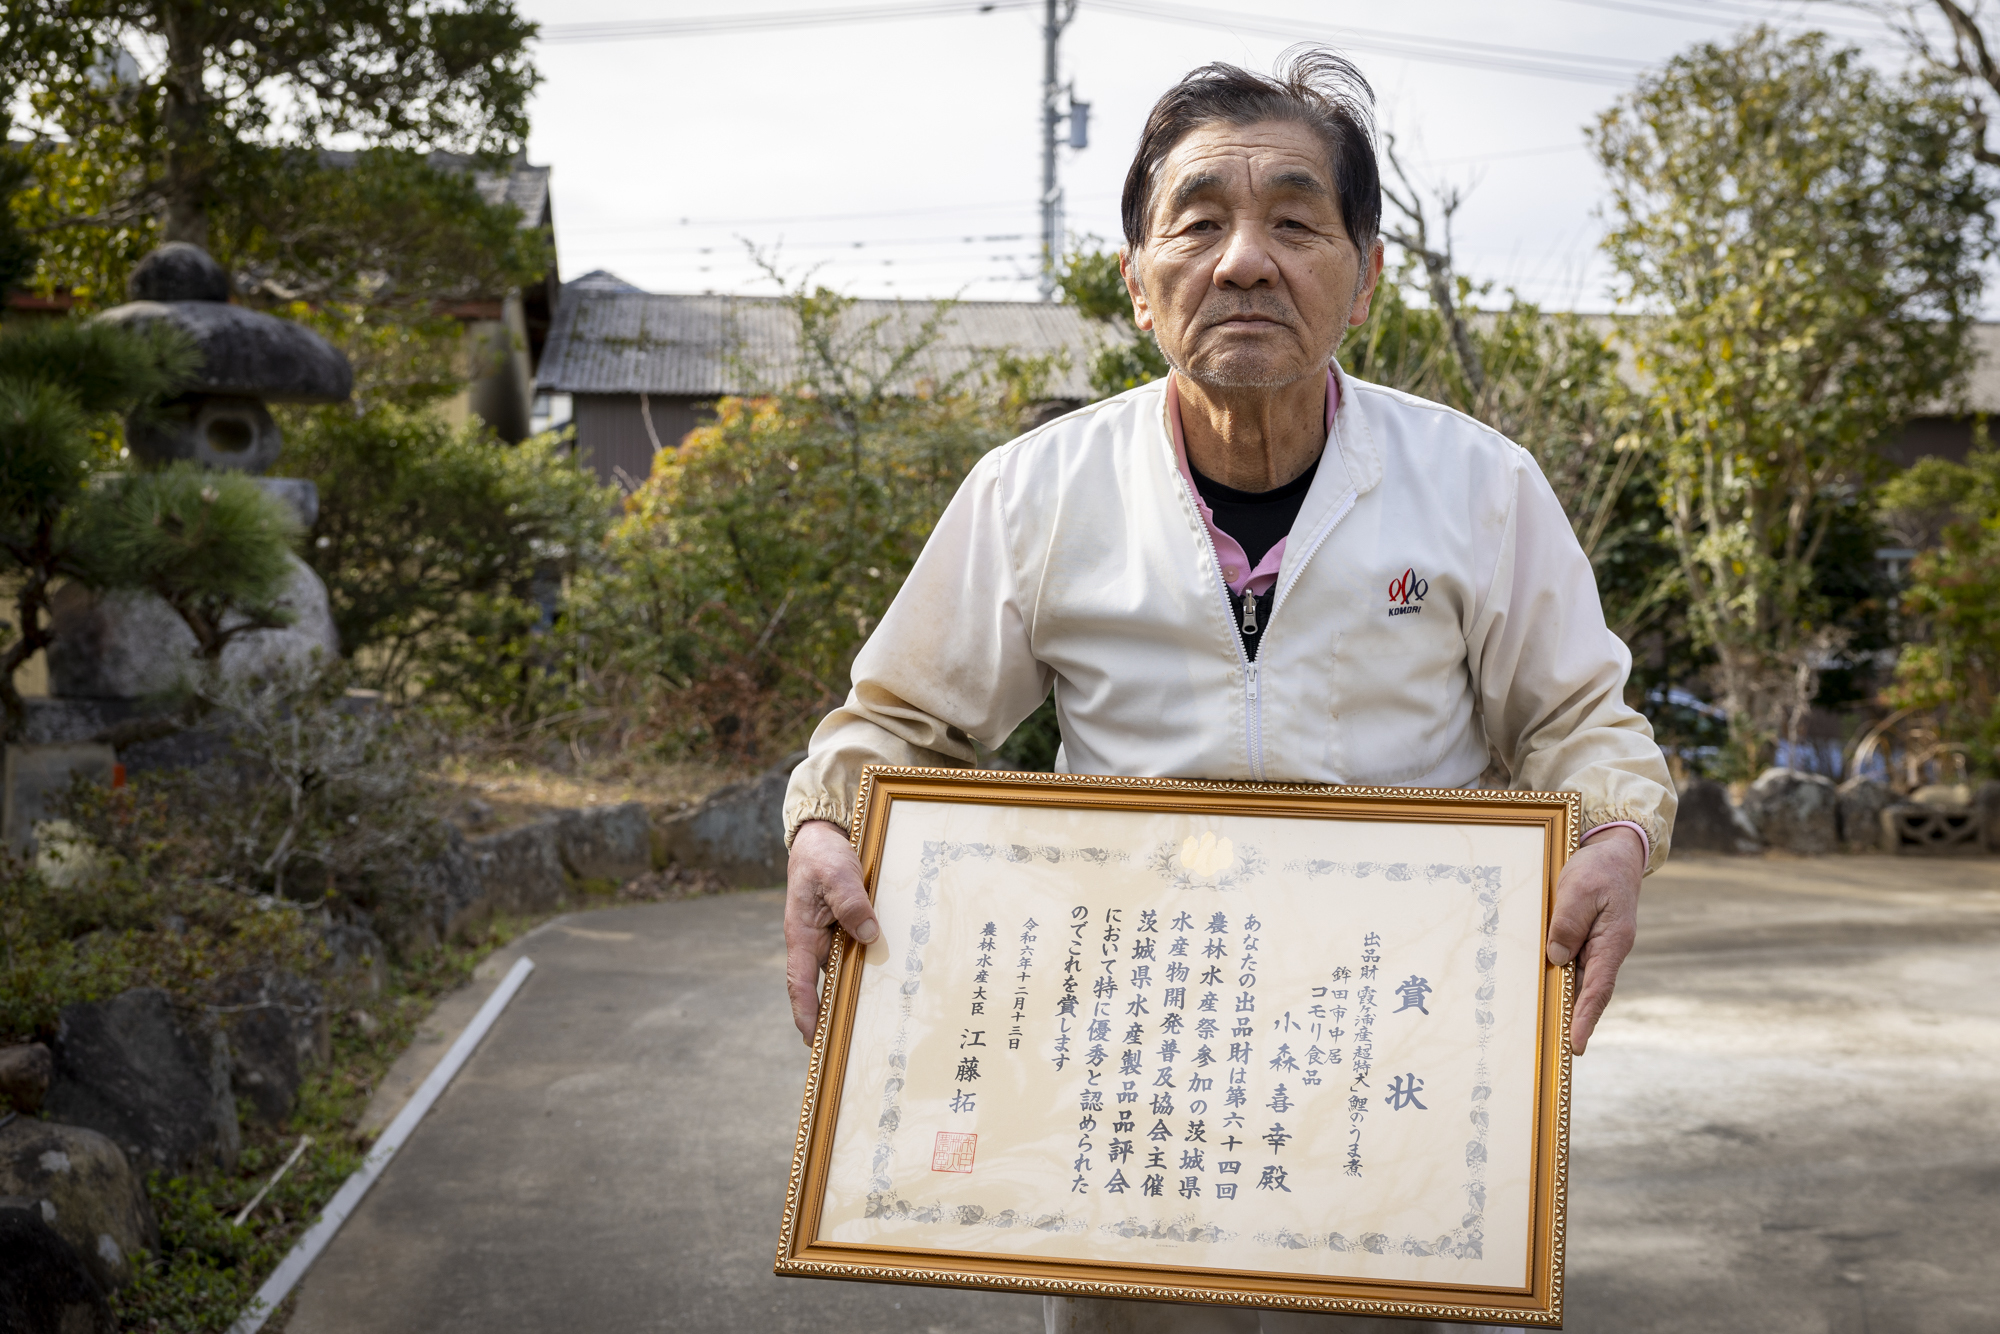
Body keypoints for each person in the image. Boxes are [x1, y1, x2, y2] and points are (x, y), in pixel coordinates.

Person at [781, 48, 1675, 1334]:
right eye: (1195, 224)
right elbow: (892, 722)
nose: (1244, 259)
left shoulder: (1478, 483)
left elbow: (1583, 721)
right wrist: (824, 817)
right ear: (1138, 284)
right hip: (1121, 1051)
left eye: (1295, 222)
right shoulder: (1035, 490)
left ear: (1362, 278)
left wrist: (1617, 831)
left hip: (1386, 1046)